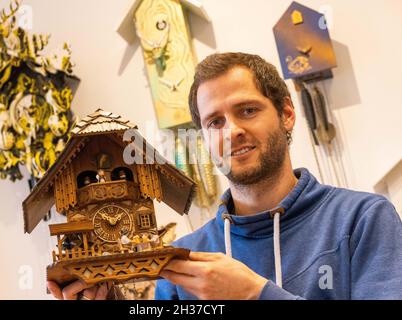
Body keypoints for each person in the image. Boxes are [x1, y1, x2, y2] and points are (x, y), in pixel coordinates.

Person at [47, 52, 402, 300]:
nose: (231, 132)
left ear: (287, 114)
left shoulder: (363, 220)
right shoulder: (185, 259)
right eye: (214, 122)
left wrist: (255, 294)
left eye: (247, 110)